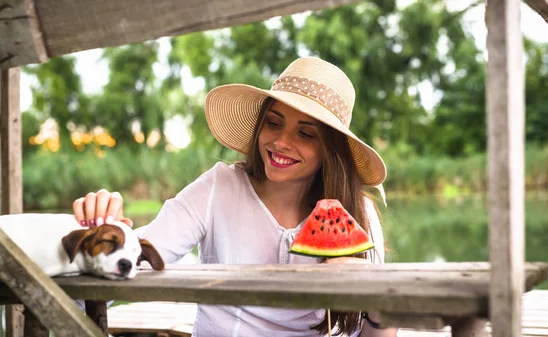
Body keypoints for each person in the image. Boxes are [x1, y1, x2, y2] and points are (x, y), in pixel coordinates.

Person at [72, 57, 399, 337]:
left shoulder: (360, 214)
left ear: (331, 150)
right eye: (274, 123)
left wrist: (376, 300)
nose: (281, 142)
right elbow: (141, 251)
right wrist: (102, 232)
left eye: (305, 133)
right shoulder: (217, 187)